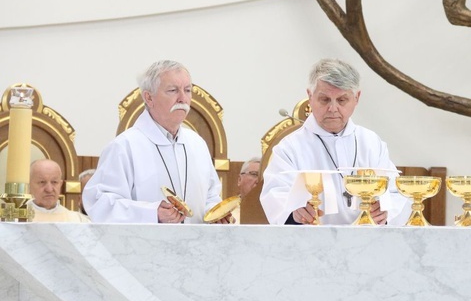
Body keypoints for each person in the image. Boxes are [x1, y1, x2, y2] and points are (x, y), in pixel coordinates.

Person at [260, 58, 409, 226]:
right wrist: (293, 213)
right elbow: (275, 194)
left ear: (357, 98)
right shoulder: (289, 148)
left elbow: (395, 192)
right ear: (310, 96)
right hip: (312, 244)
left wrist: (386, 211)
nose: (332, 108)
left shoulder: (371, 143)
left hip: (366, 242)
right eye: (324, 100)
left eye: (342, 100)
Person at [82, 60, 227, 224]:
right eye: (173, 90)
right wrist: (152, 213)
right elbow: (101, 204)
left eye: (187, 90)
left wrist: (215, 214)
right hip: (145, 247)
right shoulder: (124, 146)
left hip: (196, 246)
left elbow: (210, 195)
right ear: (149, 98)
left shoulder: (197, 144)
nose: (182, 98)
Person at [231, 157, 261, 223]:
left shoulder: (275, 213)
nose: (259, 181)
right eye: (254, 174)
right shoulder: (228, 212)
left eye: (263, 177)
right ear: (239, 180)